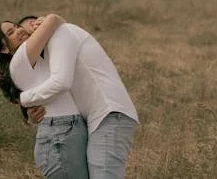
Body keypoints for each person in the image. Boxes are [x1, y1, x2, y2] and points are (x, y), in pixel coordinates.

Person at [17, 14, 139, 179]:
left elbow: (61, 83)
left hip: (109, 114)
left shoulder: (62, 35)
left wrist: (23, 99)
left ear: (38, 23)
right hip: (96, 120)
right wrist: (34, 115)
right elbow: (57, 98)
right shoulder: (49, 56)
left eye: (29, 33)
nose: (31, 43)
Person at [0, 15, 89, 178]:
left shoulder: (35, 58)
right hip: (60, 135)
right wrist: (44, 21)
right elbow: (54, 19)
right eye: (11, 32)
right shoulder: (23, 55)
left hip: (66, 131)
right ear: (4, 49)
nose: (19, 30)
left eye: (16, 26)